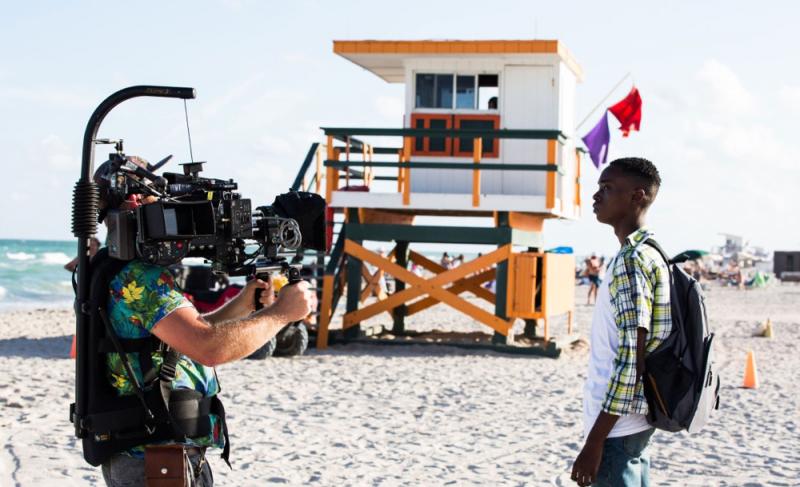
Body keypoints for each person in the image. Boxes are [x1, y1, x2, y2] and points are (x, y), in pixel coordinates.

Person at [93, 162, 316, 486]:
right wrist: (282, 313)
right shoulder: (138, 278)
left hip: (160, 452)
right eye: (161, 200)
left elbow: (184, 337)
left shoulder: (118, 268)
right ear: (136, 201)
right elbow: (208, 348)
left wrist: (244, 305)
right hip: (154, 459)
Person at [570, 158, 672, 487]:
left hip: (617, 428)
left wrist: (595, 440)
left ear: (636, 196)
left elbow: (631, 358)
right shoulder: (652, 251)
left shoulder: (631, 260)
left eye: (607, 187)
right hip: (634, 422)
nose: (596, 195)